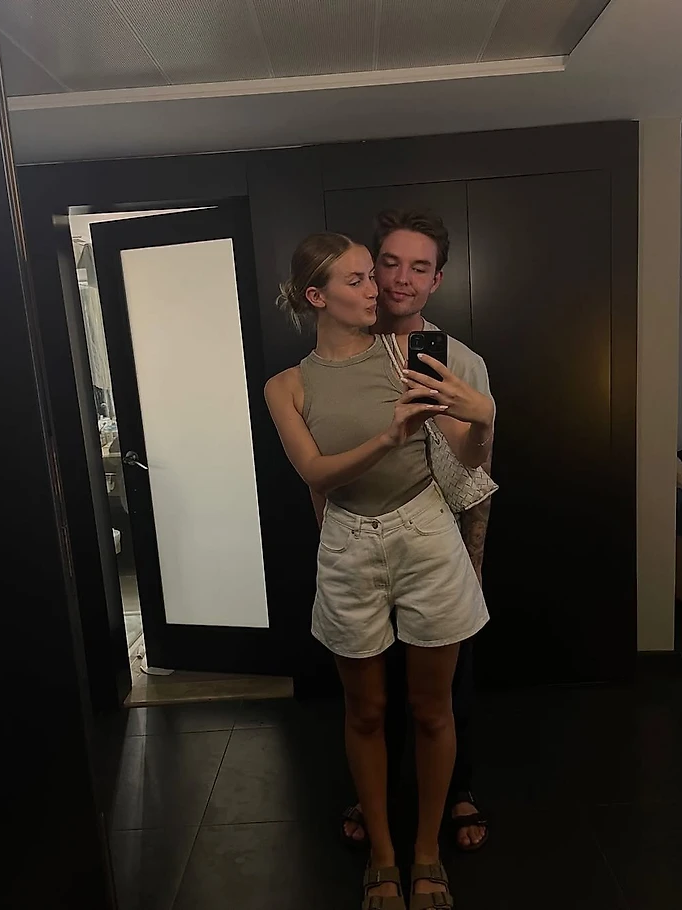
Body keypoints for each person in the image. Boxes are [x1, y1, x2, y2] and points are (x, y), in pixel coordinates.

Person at [265, 232, 493, 909]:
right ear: (317, 296)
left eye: (376, 274)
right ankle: (385, 858)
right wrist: (389, 436)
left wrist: (483, 420)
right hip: (348, 541)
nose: (380, 289)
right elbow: (315, 473)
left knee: (431, 709)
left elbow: (468, 459)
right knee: (365, 710)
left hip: (425, 532)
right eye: (360, 279)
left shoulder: (408, 355)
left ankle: (426, 854)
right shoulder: (286, 386)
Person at [340, 209, 494, 853]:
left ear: (437, 280)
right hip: (360, 539)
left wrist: (474, 562)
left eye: (419, 267)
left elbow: (478, 471)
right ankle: (371, 793)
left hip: (440, 541)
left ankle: (457, 789)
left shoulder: (462, 362)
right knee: (370, 685)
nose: (402, 278)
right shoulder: (342, 353)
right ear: (372, 269)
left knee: (444, 689)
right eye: (391, 263)